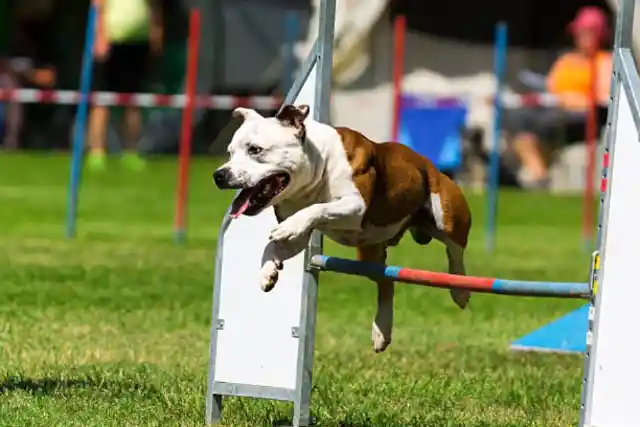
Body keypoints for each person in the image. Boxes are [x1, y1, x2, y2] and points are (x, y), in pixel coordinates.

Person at [504, 6, 612, 188]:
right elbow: (550, 90)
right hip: (554, 109)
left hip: (583, 116)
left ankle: (537, 175)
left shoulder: (605, 62)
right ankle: (539, 174)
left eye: (588, 33)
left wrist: (572, 99)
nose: (582, 38)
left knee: (544, 123)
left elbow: (603, 100)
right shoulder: (566, 60)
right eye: (580, 33)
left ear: (599, 35)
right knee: (515, 116)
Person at [87, 0, 163, 171]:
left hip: (138, 43)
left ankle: (131, 151)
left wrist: (156, 32)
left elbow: (153, 7)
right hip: (110, 42)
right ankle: (97, 152)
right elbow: (98, 5)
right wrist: (99, 36)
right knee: (102, 100)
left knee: (133, 102)